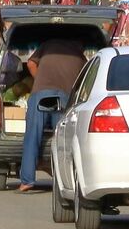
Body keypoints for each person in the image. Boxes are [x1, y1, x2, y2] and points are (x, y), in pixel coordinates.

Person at [17, 34, 89, 193]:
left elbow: (30, 64)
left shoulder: (48, 44)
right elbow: (85, 80)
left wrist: (40, 81)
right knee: (62, 140)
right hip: (64, 98)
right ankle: (62, 179)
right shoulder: (79, 54)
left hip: (41, 95)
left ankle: (26, 181)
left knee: (32, 136)